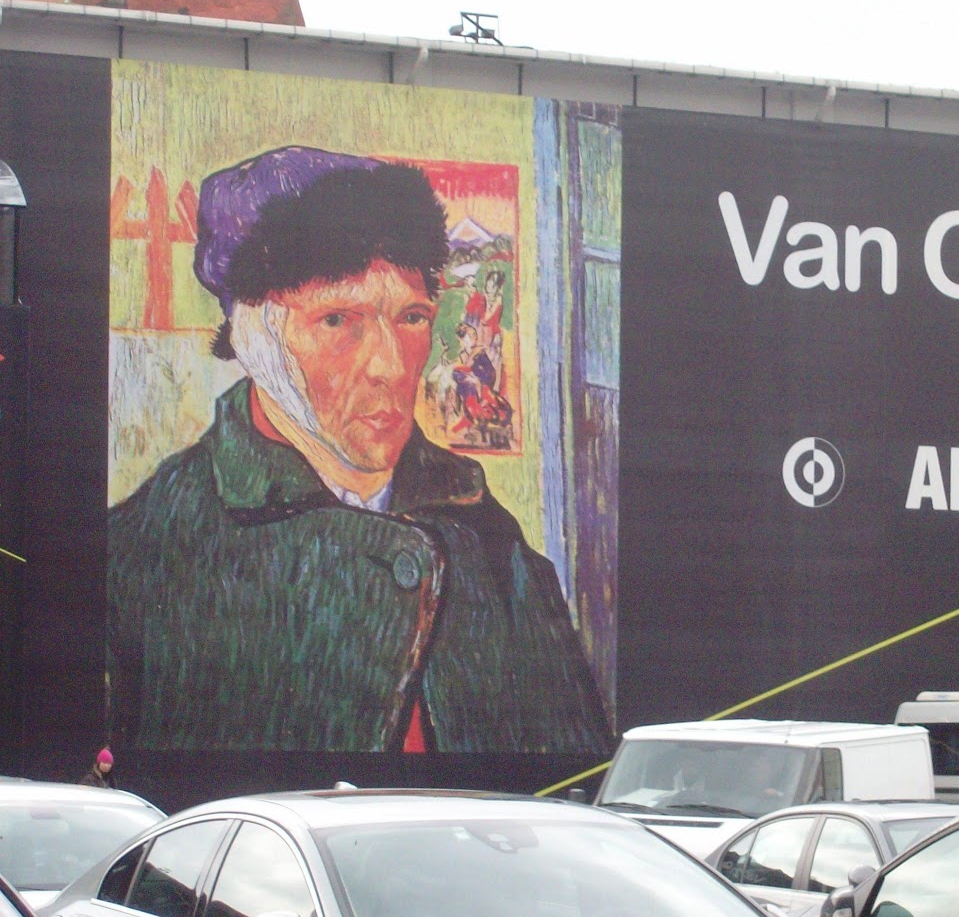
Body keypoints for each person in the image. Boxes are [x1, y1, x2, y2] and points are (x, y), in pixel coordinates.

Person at [107, 146, 610, 754]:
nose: (390, 367)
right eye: (338, 321)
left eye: (412, 317)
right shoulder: (146, 553)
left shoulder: (490, 540)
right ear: (253, 336)